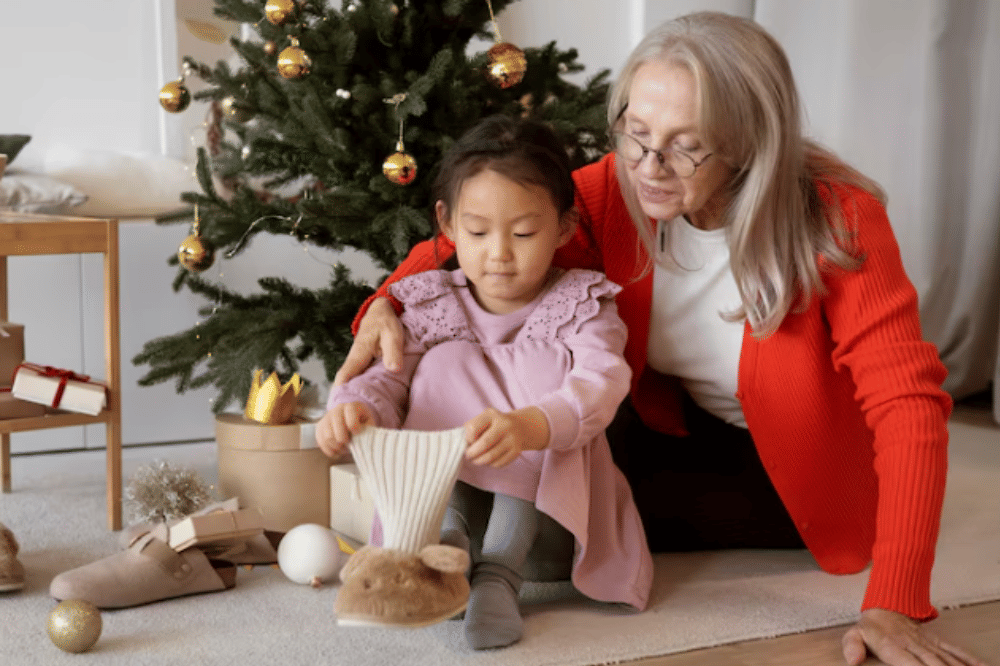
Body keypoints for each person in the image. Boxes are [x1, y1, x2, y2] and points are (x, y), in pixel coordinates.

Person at [332, 11, 987, 666]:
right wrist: (383, 305)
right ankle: (446, 544)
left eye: (685, 145)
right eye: (636, 133)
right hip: (667, 432)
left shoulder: (838, 219)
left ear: (748, 141)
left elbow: (908, 406)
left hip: (780, 473)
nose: (649, 166)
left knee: (562, 503)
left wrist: (894, 601)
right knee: (496, 374)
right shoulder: (614, 189)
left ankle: (482, 554)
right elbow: (462, 238)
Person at [318, 115, 653, 650]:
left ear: (564, 228)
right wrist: (354, 409)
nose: (499, 253)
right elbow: (384, 377)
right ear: (447, 225)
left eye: (523, 233)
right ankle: (445, 557)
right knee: (445, 364)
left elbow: (602, 381)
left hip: (548, 520)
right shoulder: (430, 302)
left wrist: (530, 425)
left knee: (542, 371)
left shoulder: (584, 305)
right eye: (477, 233)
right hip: (452, 496)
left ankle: (497, 575)